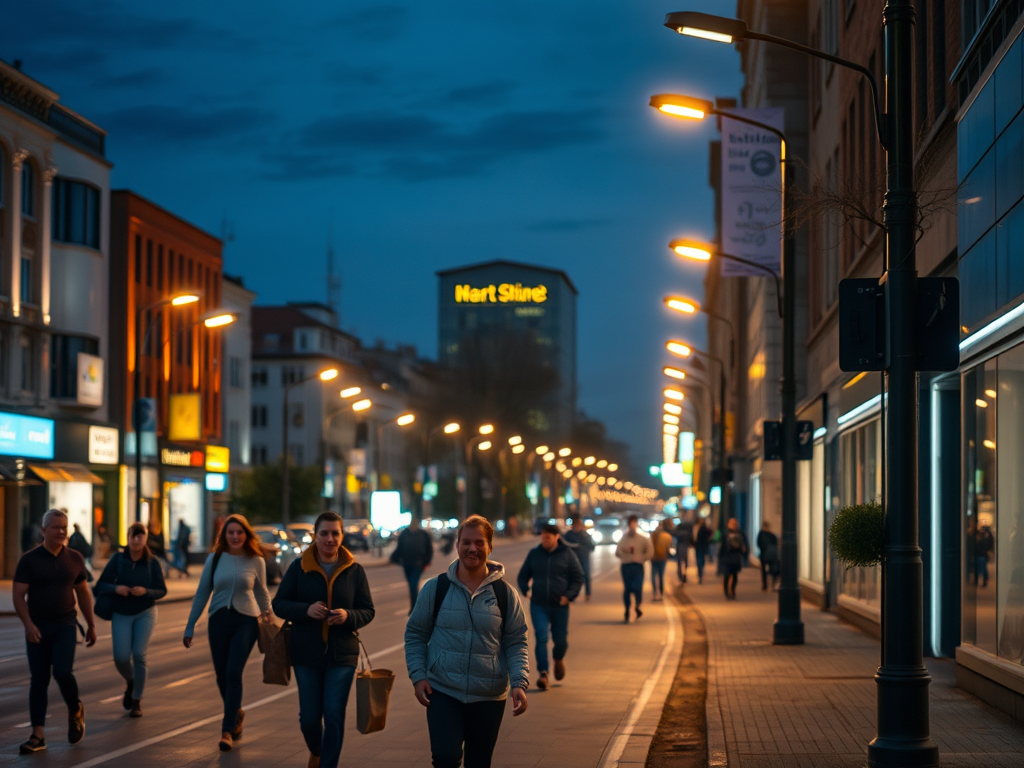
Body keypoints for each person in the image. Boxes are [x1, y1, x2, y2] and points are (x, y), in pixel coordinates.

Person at [405, 515, 529, 768]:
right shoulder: (435, 588)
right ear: (457, 545)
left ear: (490, 547)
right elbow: (415, 634)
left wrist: (519, 682)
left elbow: (516, 642)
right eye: (466, 542)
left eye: (479, 542)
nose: (472, 548)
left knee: (479, 762)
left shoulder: (505, 594)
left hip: (488, 695)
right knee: (444, 757)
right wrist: (418, 676)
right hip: (443, 691)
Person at [273, 512, 375, 768]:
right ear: (315, 536)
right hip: (306, 652)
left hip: (342, 655)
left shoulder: (355, 570)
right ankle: (317, 751)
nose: (330, 539)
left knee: (333, 714)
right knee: (308, 719)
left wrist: (348, 615)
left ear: (342, 535)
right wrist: (305, 610)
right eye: (324, 533)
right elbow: (279, 604)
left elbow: (367, 610)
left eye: (335, 533)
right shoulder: (299, 567)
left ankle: (327, 763)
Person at [183, 514, 272, 752]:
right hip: (218, 620)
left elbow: (262, 593)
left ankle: (227, 730)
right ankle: (237, 712)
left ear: (246, 535)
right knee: (221, 676)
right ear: (224, 535)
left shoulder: (256, 560)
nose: (235, 536)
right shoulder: (215, 559)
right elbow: (202, 593)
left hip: (246, 621)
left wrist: (269, 616)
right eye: (230, 532)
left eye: (239, 532)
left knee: (233, 673)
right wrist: (190, 625)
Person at [12, 509, 96, 754]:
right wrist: (28, 624)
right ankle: (37, 735)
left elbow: (83, 592)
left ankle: (75, 708)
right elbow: (18, 595)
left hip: (65, 624)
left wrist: (90, 623)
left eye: (64, 527)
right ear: (43, 531)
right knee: (39, 679)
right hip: (37, 626)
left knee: (62, 672)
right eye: (56, 527)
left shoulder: (75, 558)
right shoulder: (29, 559)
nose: (61, 532)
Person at [95, 521, 167, 718]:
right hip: (121, 613)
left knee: (139, 655)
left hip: (146, 612)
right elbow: (100, 585)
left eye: (140, 535)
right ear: (127, 538)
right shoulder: (118, 559)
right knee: (120, 658)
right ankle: (132, 680)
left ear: (145, 539)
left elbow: (162, 590)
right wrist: (115, 588)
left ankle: (136, 701)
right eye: (132, 536)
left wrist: (146, 591)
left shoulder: (152, 562)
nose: (136, 539)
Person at [517, 523, 585, 690]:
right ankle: (543, 673)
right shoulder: (535, 554)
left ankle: (558, 659)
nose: (544, 540)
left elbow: (578, 577)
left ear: (557, 537)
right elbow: (522, 576)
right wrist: (526, 590)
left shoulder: (567, 554)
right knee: (541, 637)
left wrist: (569, 596)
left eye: (548, 537)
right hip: (538, 604)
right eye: (542, 537)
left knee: (560, 641)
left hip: (560, 605)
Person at [615, 515, 653, 622]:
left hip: (637, 566)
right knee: (627, 589)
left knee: (637, 587)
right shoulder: (624, 538)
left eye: (634, 524)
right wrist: (624, 552)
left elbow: (650, 551)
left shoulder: (642, 539)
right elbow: (617, 552)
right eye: (630, 524)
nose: (632, 526)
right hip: (626, 566)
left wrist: (642, 559)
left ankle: (637, 605)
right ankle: (627, 609)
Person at [391, 518, 434, 612]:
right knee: (411, 584)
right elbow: (400, 548)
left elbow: (429, 549)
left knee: (413, 584)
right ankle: (415, 606)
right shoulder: (405, 534)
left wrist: (427, 562)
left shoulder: (423, 534)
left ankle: (415, 607)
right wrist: (394, 558)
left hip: (418, 564)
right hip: (407, 564)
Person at [562, 517, 596, 600]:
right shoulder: (569, 535)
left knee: (586, 576)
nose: (577, 527)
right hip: (571, 559)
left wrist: (583, 548)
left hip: (583, 558)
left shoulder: (585, 535)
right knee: (571, 576)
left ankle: (587, 593)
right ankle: (570, 594)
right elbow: (563, 544)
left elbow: (592, 546)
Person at [719, 518, 750, 600]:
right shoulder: (725, 533)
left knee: (735, 575)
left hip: (736, 557)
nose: (733, 525)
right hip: (727, 557)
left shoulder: (740, 533)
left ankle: (732, 590)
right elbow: (722, 546)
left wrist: (744, 552)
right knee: (726, 575)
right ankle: (727, 593)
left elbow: (744, 544)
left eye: (735, 524)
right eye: (732, 523)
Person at [650, 521, 674, 601]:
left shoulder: (652, 535)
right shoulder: (667, 536)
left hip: (654, 558)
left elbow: (649, 546)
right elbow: (669, 547)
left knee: (653, 575)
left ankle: (655, 593)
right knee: (661, 575)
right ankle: (661, 593)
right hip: (663, 557)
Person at [756, 521, 780, 591]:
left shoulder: (761, 534)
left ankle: (765, 584)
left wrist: (762, 550)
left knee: (763, 570)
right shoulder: (772, 535)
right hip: (772, 555)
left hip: (764, 554)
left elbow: (759, 543)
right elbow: (776, 544)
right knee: (773, 569)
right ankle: (773, 584)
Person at [673, 515, 694, 584]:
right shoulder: (687, 533)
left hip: (679, 548)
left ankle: (680, 575)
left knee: (679, 562)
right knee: (685, 562)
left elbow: (675, 538)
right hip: (685, 547)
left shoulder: (678, 532)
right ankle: (684, 574)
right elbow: (691, 539)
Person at [694, 518, 712, 585]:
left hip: (702, 546)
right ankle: (700, 573)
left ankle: (700, 573)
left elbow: (710, 533)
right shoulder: (696, 527)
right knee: (699, 560)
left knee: (700, 560)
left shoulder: (704, 528)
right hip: (698, 546)